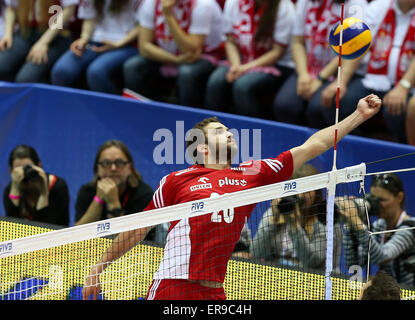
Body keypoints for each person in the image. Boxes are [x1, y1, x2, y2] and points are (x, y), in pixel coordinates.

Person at [83, 93, 382, 300]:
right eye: (218, 131)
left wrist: (357, 115)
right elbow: (139, 227)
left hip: (214, 291)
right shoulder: (176, 181)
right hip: (173, 286)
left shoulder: (253, 174)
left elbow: (312, 146)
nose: (229, 133)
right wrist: (99, 266)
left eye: (228, 130)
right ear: (201, 148)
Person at [318, 0, 415, 141]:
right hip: (374, 79)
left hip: (408, 85)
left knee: (396, 111)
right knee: (338, 99)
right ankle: (355, 153)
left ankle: (400, 157)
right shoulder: (377, 6)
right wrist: (342, 81)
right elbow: (357, 45)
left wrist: (403, 86)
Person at [272, 0, 367, 128]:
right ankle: (297, 146)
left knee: (317, 108)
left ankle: (320, 146)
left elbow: (351, 48)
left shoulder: (356, 4)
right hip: (308, 68)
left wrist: (320, 79)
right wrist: (303, 75)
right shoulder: (304, 2)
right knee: (284, 105)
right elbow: (298, 42)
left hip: (338, 69)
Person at [123, 0, 224, 107]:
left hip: (205, 56)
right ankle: (144, 116)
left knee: (187, 72)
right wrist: (175, 60)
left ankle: (185, 121)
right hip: (170, 56)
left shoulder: (203, 5)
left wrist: (168, 15)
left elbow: (189, 51)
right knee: (133, 66)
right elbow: (144, 47)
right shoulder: (150, 3)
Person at [204, 0, 295, 119]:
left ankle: (254, 133)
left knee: (243, 86)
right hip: (241, 59)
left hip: (277, 64)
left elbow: (277, 52)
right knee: (216, 81)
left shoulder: (285, 9)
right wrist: (236, 65)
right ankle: (213, 130)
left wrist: (245, 68)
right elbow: (230, 41)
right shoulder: (233, 3)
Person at [250, 164, 343, 272]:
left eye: (307, 191)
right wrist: (273, 221)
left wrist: (295, 228)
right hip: (275, 278)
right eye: (297, 191)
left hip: (314, 280)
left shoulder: (325, 218)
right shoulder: (277, 213)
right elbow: (255, 253)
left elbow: (314, 262)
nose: (301, 196)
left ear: (316, 193)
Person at [51, 0, 142, 94]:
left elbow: (142, 26)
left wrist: (118, 44)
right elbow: (90, 19)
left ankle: (111, 107)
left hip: (126, 45)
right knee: (61, 71)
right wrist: (84, 39)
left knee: (96, 72)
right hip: (95, 41)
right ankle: (71, 106)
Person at [340, 173, 415, 287]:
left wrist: (359, 225)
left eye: (382, 200)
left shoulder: (410, 227)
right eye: (373, 199)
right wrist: (350, 226)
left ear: (399, 197)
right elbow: (355, 264)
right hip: (388, 293)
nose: (376, 205)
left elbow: (382, 257)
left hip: (408, 293)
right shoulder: (379, 225)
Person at [75, 140, 154, 226]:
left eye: (119, 162)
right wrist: (98, 199)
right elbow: (76, 236)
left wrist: (113, 203)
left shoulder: (144, 195)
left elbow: (132, 237)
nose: (113, 168)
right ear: (97, 169)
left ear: (130, 168)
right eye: (106, 163)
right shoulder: (87, 191)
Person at [0, 0, 78, 83]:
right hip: (26, 32)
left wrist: (43, 42)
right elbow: (11, 8)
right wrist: (8, 34)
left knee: (25, 79)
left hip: (55, 35)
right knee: (1, 66)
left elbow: (68, 11)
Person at [3, 145, 70, 226]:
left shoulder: (57, 186)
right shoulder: (10, 190)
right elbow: (10, 229)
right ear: (11, 171)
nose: (24, 174)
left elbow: (56, 226)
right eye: (18, 170)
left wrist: (44, 193)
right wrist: (15, 189)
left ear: (39, 166)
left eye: (28, 168)